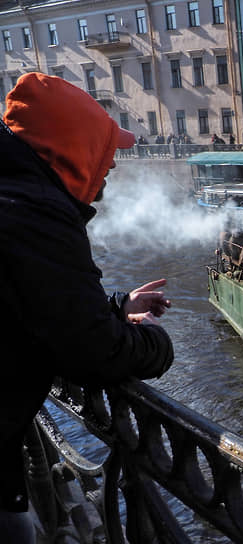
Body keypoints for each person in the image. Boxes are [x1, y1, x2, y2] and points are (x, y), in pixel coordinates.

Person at [0, 73, 174, 541]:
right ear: (74, 152)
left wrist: (116, 307)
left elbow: (34, 305)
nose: (112, 166)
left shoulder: (16, 195)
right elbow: (94, 351)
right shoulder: (33, 212)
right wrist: (156, 344)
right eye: (105, 152)